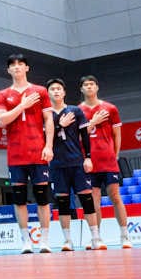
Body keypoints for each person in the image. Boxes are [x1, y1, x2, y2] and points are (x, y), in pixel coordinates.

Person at [0, 52, 54, 254]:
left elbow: (48, 120)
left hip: (38, 152)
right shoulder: (3, 95)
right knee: (19, 200)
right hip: (16, 156)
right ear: (8, 70)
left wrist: (49, 146)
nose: (17, 67)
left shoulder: (40, 91)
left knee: (43, 198)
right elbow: (1, 121)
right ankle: (26, 241)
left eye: (21, 64)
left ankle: (44, 241)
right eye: (13, 64)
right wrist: (22, 105)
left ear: (27, 68)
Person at [47, 78, 102, 251]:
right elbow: (44, 139)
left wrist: (88, 157)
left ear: (64, 92)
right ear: (48, 93)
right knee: (62, 202)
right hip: (57, 164)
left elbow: (85, 136)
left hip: (77, 162)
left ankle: (95, 238)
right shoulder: (46, 114)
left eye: (58, 89)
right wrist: (59, 125)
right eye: (52, 89)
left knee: (87, 199)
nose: (56, 91)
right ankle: (67, 241)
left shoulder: (75, 111)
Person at [80, 75, 131, 249]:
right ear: (81, 89)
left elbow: (117, 134)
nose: (89, 87)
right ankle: (96, 238)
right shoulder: (78, 111)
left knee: (115, 197)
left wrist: (115, 154)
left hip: (108, 161)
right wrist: (92, 123)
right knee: (93, 201)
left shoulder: (110, 108)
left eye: (91, 84)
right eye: (85, 85)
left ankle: (125, 236)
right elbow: (78, 135)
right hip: (89, 163)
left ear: (97, 87)